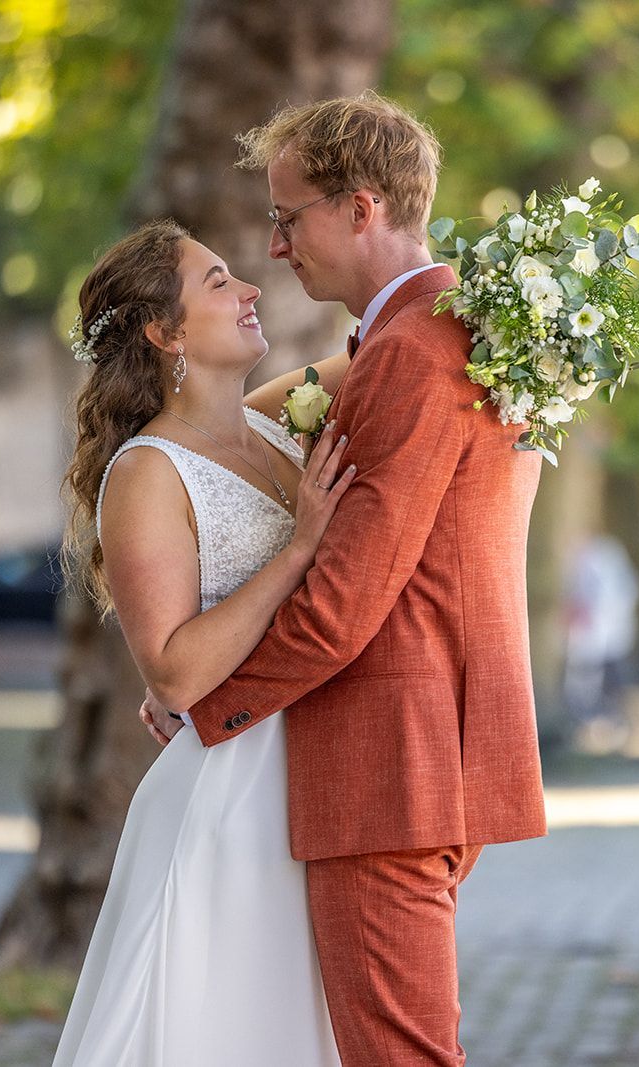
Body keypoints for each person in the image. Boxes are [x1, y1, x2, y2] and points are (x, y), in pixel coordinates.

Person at [139, 92, 547, 1066]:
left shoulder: (412, 351)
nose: (276, 247)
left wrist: (206, 703)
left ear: (361, 209)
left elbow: (343, 605)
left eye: (288, 217)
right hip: (427, 751)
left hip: (387, 766)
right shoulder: (443, 333)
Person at [50, 218, 356, 1065]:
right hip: (229, 799)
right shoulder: (147, 472)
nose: (252, 289)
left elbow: (389, 348)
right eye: (220, 282)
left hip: (303, 778)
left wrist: (513, 298)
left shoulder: (271, 423)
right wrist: (299, 549)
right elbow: (176, 674)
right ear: (166, 331)